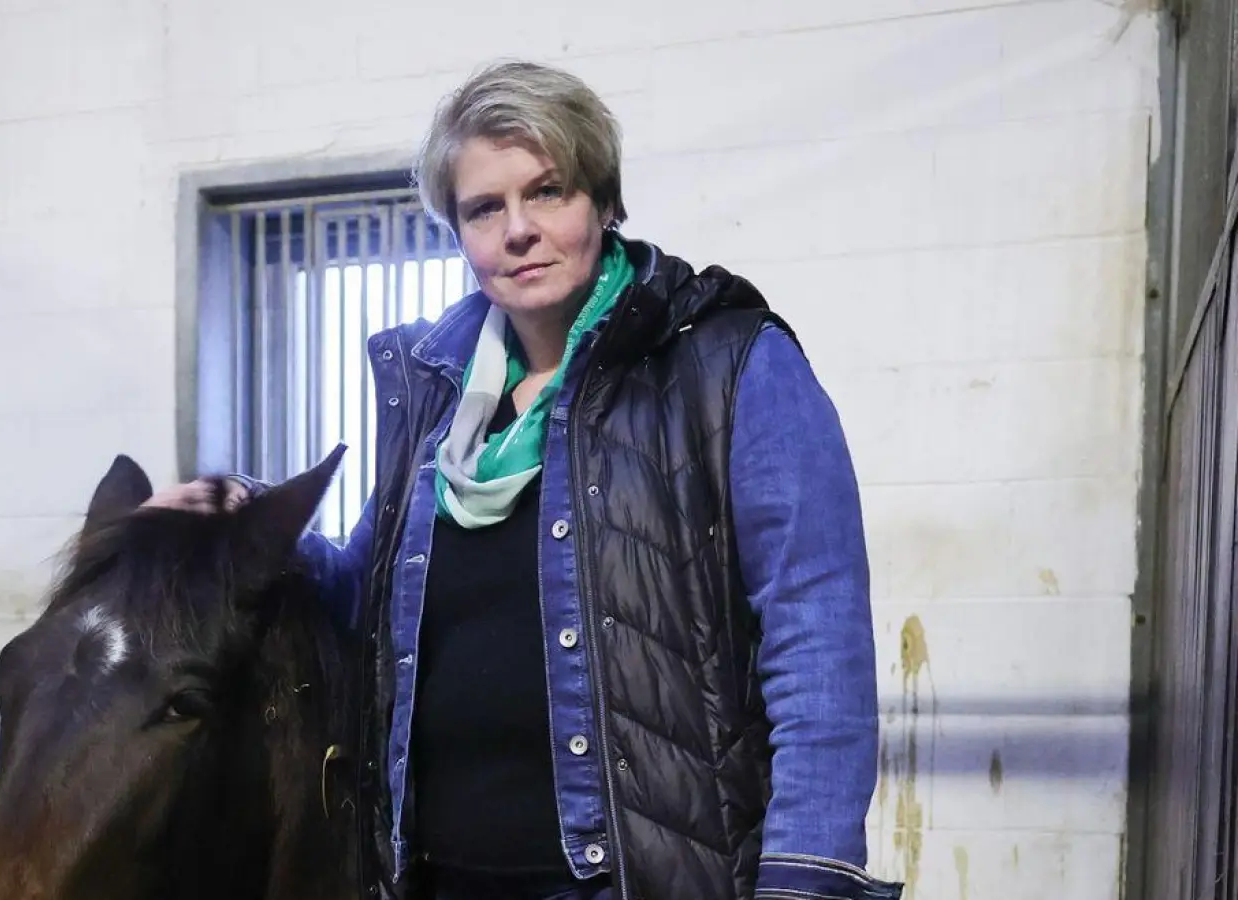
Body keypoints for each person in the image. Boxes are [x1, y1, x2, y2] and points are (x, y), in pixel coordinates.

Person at [147, 60, 904, 900]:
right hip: (439, 879)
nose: (517, 230)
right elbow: (366, 590)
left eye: (547, 192)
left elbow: (817, 641)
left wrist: (805, 882)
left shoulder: (730, 367)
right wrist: (237, 509)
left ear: (605, 201)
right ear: (458, 230)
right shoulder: (437, 400)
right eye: (484, 208)